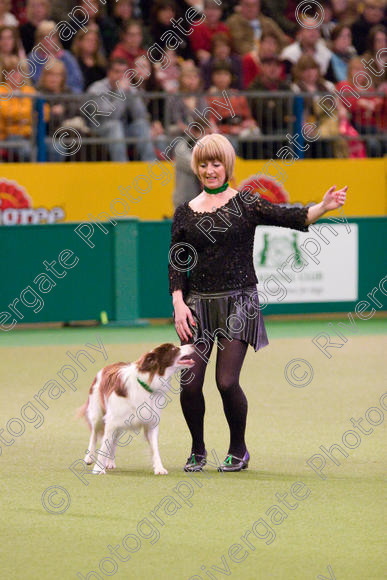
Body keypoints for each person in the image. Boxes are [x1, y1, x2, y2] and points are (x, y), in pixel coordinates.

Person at [168, 133, 347, 472]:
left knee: (226, 382)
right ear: (196, 168)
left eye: (216, 163)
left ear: (228, 166)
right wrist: (178, 302)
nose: (210, 170)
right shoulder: (185, 212)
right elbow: (177, 261)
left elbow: (290, 217)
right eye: (204, 164)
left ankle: (238, 450)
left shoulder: (247, 203)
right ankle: (198, 450)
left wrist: (323, 207)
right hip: (196, 307)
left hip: (240, 303)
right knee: (190, 384)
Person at [87, 58, 157, 162]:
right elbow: (110, 116)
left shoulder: (127, 88)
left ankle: (150, 164)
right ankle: (121, 166)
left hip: (121, 131)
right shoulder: (97, 89)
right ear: (109, 73)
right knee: (115, 125)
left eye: (124, 72)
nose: (121, 76)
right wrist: (122, 93)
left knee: (141, 125)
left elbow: (141, 115)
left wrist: (131, 92)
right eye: (117, 72)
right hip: (98, 130)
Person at [0, 55, 36, 161]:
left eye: (18, 71)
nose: (15, 75)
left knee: (55, 148)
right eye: (11, 71)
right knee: (27, 151)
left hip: (30, 135)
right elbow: (7, 113)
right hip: (8, 136)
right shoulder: (2, 91)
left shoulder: (29, 90)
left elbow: (45, 112)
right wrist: (27, 115)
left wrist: (21, 116)